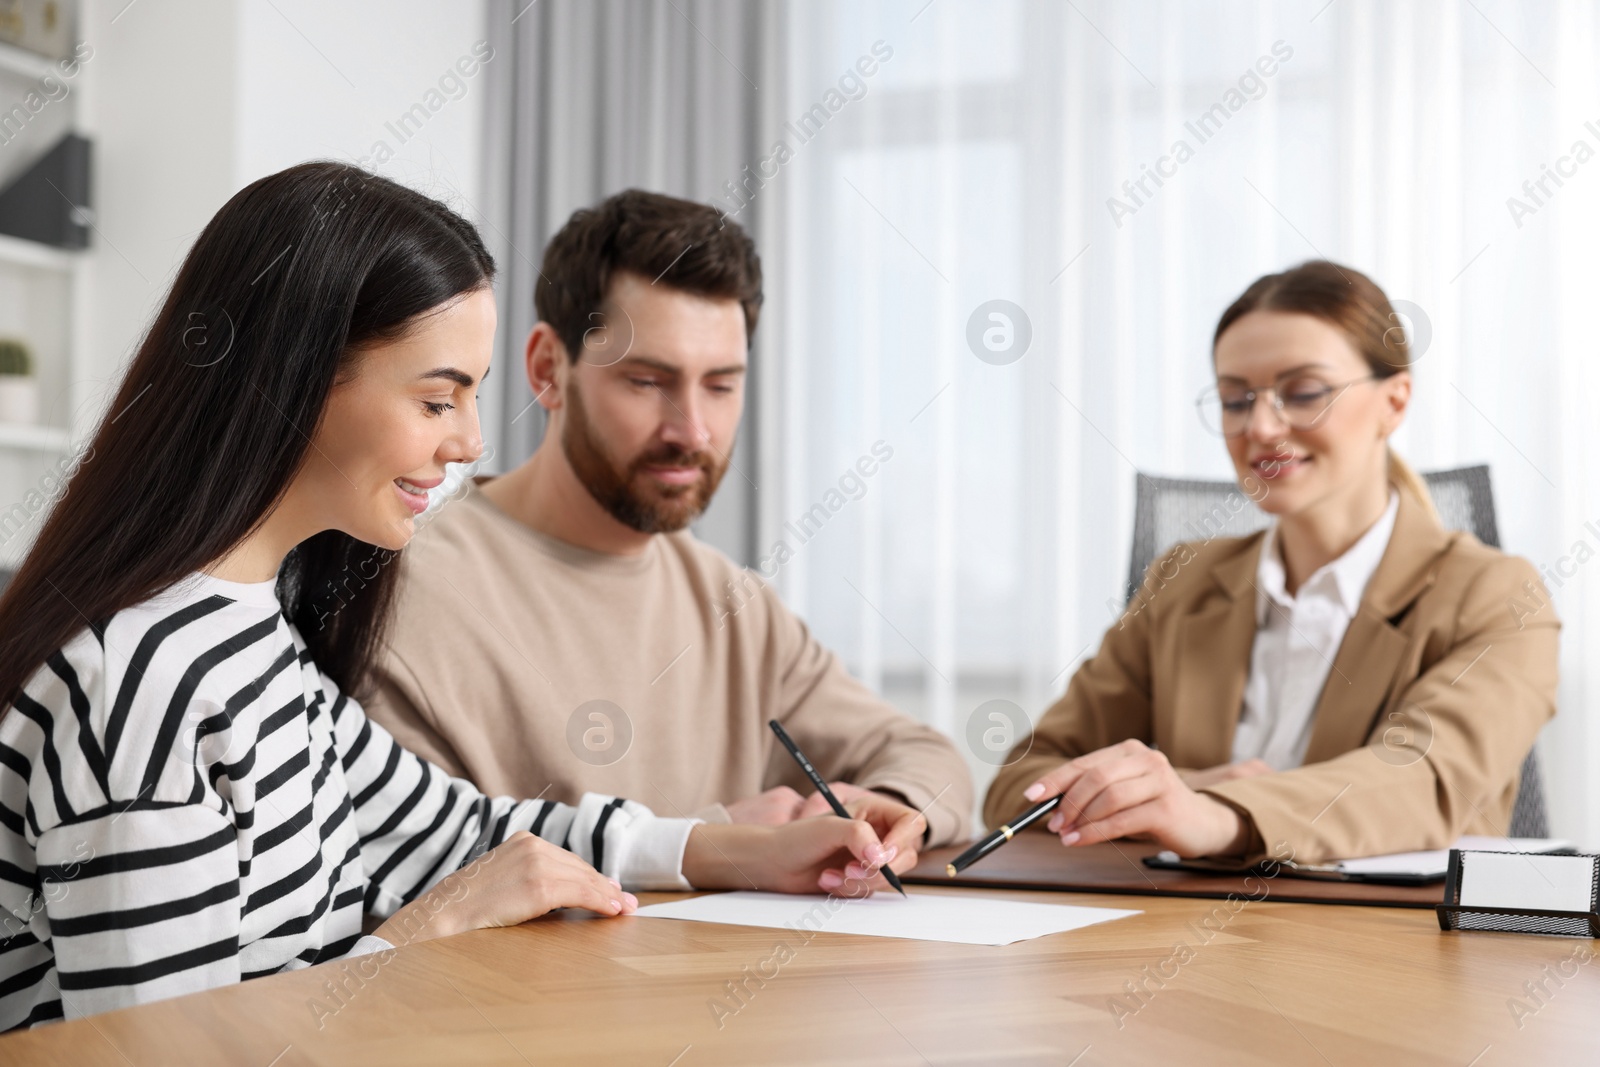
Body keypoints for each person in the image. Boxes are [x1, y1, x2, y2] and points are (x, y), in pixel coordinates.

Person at [0, 163, 920, 1031]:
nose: (472, 442)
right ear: (296, 381)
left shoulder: (252, 630)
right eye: (440, 400)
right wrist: (422, 934)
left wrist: (729, 851)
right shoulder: (141, 685)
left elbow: (455, 829)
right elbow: (164, 1052)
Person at [360, 190, 972, 847]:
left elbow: (928, 759)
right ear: (548, 370)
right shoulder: (401, 591)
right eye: (647, 381)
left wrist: (890, 804)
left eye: (721, 385)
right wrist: (717, 843)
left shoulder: (734, 606)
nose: (692, 430)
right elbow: (420, 873)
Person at [984, 260, 1558, 863]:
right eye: (1235, 400)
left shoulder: (1496, 595)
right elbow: (1020, 788)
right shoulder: (1182, 581)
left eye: (1303, 392)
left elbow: (1427, 782)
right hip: (1183, 935)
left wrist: (1218, 816)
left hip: (1393, 946)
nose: (1260, 426)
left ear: (1394, 401)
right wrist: (1189, 791)